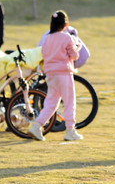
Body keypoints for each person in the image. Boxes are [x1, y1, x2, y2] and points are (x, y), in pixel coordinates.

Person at [28, 10, 84, 142]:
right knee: (69, 102)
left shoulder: (47, 39)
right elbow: (74, 56)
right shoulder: (67, 38)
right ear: (66, 25)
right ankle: (70, 130)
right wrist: (78, 47)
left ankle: (37, 126)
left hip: (50, 74)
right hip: (64, 74)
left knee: (51, 103)